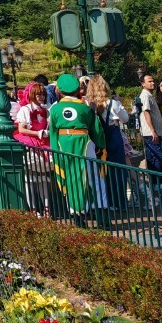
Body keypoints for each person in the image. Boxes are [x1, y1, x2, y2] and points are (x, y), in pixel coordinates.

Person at [48, 72, 105, 219]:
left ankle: (76, 213)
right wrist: (101, 147)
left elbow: (52, 132)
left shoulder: (54, 109)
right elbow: (97, 130)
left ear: (59, 90)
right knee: (93, 176)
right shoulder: (85, 108)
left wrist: (55, 150)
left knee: (70, 176)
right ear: (77, 89)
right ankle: (100, 211)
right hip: (85, 143)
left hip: (63, 144)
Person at [86, 74, 129, 212]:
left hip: (97, 139)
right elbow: (126, 119)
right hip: (113, 137)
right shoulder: (113, 103)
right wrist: (119, 102)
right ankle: (119, 203)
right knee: (118, 170)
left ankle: (104, 202)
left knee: (101, 171)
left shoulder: (88, 105)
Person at [135, 71, 162, 174]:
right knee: (157, 157)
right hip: (151, 133)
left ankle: (155, 180)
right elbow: (146, 112)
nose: (152, 83)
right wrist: (153, 130)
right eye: (149, 81)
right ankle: (157, 180)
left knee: (154, 157)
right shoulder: (145, 96)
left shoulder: (149, 95)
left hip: (153, 132)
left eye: (153, 81)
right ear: (143, 84)